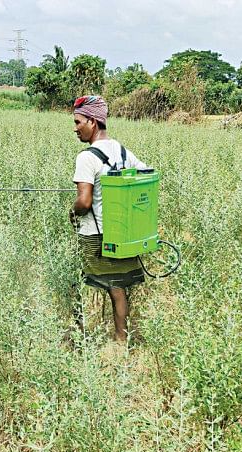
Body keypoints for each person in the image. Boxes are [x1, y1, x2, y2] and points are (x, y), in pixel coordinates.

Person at [70, 95, 148, 342]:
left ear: (92, 122)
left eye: (78, 122)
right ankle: (121, 339)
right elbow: (146, 175)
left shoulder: (86, 157)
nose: (75, 128)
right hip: (120, 233)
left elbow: (84, 202)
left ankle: (79, 337)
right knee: (117, 286)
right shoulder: (122, 151)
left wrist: (72, 212)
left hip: (94, 237)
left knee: (76, 282)